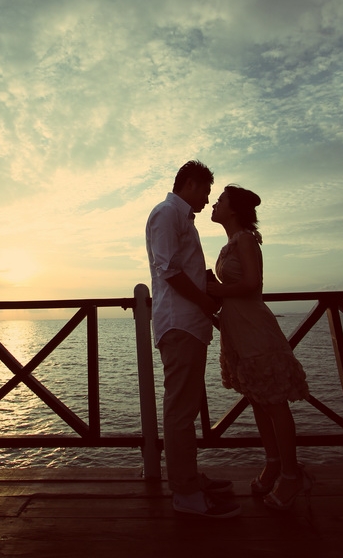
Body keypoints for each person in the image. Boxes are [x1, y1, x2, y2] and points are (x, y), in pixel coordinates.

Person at [146, 160, 241, 519]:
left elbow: (183, 267)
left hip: (190, 324)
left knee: (184, 408)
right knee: (181, 411)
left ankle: (189, 478)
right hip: (179, 323)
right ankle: (185, 492)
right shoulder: (167, 213)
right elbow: (167, 268)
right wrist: (204, 301)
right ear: (189, 184)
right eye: (204, 191)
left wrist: (210, 292)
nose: (207, 199)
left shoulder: (181, 219)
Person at [208, 184, 311, 510]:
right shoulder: (229, 244)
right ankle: (274, 463)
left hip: (255, 329)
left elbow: (253, 284)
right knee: (258, 400)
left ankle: (292, 476)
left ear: (234, 210)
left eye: (220, 200)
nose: (214, 203)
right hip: (238, 330)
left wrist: (213, 288)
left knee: (274, 402)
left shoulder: (245, 240)